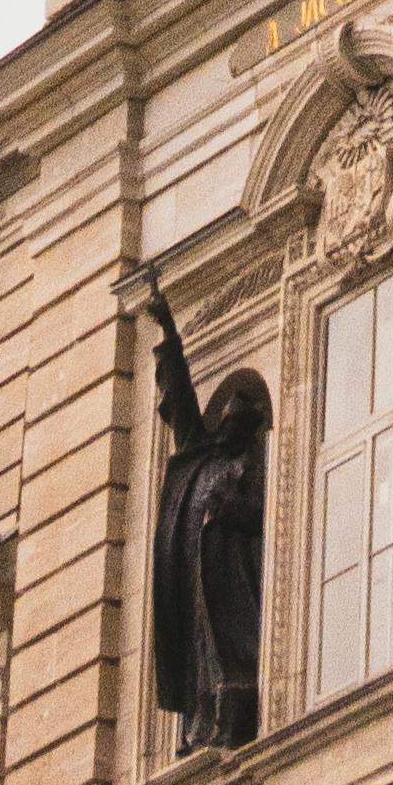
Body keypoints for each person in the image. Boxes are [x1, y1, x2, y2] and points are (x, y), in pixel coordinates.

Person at [143, 286, 267, 749]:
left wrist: (230, 510)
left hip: (229, 581)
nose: (230, 427)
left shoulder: (248, 467)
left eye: (238, 423)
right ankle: (196, 725)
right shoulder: (202, 453)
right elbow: (181, 395)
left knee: (225, 649)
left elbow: (259, 515)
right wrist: (169, 329)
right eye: (228, 421)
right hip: (192, 575)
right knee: (198, 651)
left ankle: (228, 718)